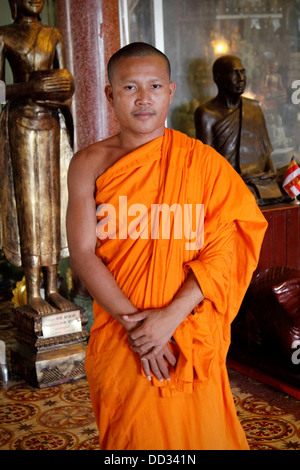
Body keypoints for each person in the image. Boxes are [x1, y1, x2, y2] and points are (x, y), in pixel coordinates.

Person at [66, 42, 267, 450]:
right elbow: (83, 253)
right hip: (123, 338)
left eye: (155, 86)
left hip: (186, 334)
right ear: (110, 94)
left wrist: (169, 320)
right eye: (129, 88)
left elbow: (229, 245)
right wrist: (138, 329)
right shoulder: (88, 163)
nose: (144, 98)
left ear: (171, 91)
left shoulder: (203, 164)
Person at [0, 0, 75, 314]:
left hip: (51, 122)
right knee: (30, 205)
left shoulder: (53, 34)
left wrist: (63, 88)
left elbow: (63, 84)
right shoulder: (4, 34)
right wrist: (30, 86)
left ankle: (54, 286)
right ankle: (33, 290)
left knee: (53, 202)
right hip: (21, 123)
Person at [194, 55, 284, 204]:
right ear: (218, 78)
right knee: (240, 194)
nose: (241, 78)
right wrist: (237, 178)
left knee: (289, 181)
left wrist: (271, 173)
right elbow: (206, 165)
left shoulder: (254, 108)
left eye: (242, 72)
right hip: (229, 183)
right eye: (234, 73)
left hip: (259, 180)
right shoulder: (207, 113)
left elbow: (265, 151)